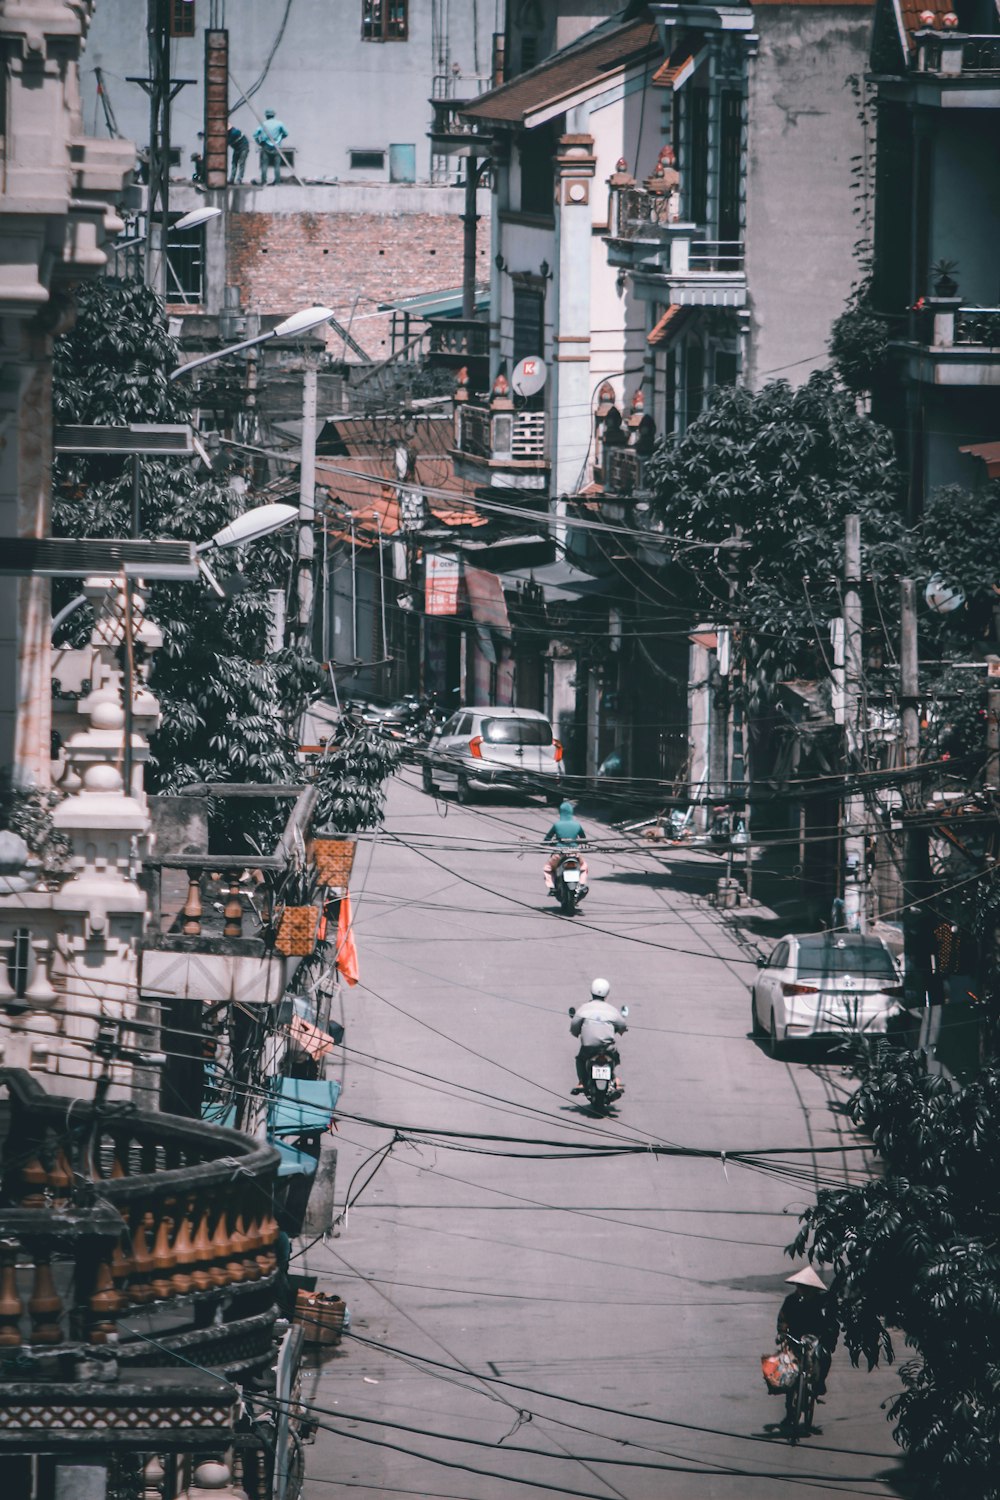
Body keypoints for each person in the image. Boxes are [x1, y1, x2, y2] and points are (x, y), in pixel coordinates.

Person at [776, 1266, 839, 1417]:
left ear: (812, 1288)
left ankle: (820, 1382)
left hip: (817, 1338)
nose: (801, 1289)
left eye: (804, 1287)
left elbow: (831, 1322)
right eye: (799, 1286)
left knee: (823, 1357)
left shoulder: (823, 1302)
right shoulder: (790, 1300)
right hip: (795, 1338)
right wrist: (781, 1333)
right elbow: (783, 1319)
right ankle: (789, 1411)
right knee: (788, 1371)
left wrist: (829, 1337)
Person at [570, 978, 627, 1094]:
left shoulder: (584, 1008)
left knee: (580, 1059)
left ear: (591, 991)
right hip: (607, 1048)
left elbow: (574, 1025)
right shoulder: (612, 1010)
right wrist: (620, 1030)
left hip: (588, 1047)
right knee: (616, 1058)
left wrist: (576, 1033)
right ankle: (616, 1080)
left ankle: (581, 1082)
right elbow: (622, 1025)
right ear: (607, 994)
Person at [543, 799, 588, 894]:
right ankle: (582, 884)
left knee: (548, 868)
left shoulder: (557, 825)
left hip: (559, 854)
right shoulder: (577, 825)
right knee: (584, 867)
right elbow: (584, 839)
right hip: (575, 854)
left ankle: (551, 887)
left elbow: (547, 838)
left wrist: (545, 844)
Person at [254, 108, 288, 184]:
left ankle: (263, 182)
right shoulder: (279, 123)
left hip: (266, 146)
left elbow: (255, 135)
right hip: (277, 146)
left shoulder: (263, 124)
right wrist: (280, 138)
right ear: (274, 115)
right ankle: (277, 182)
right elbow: (286, 133)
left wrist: (259, 143)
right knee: (277, 165)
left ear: (266, 116)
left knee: (264, 165)